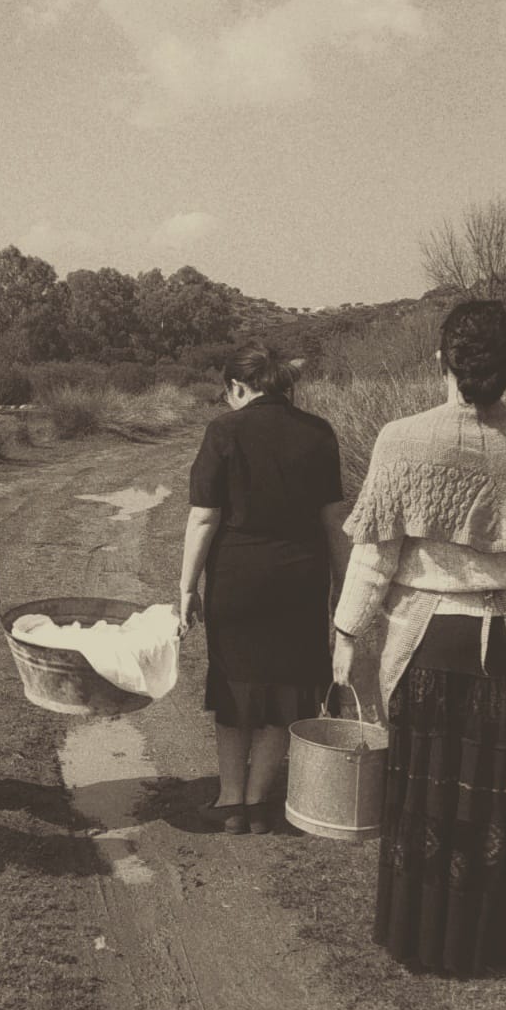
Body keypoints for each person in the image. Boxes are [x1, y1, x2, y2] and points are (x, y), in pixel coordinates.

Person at [332, 301, 506, 977]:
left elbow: (375, 554)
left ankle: (425, 933)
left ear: (443, 358)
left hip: (428, 641)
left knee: (427, 792)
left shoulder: (401, 440)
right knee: (501, 790)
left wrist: (347, 633)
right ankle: (504, 935)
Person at [180, 346, 345, 834]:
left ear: (237, 387)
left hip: (239, 577)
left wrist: (186, 588)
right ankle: (258, 801)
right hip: (302, 576)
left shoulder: (224, 430)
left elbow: (204, 516)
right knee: (288, 689)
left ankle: (230, 799)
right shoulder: (318, 432)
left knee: (236, 687)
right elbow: (334, 517)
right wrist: (342, 588)